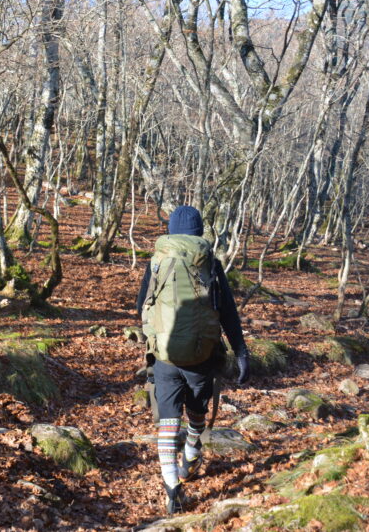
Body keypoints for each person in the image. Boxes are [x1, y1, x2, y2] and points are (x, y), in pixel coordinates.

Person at [135, 205, 250, 514]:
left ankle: (172, 488)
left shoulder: (158, 260)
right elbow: (227, 311)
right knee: (197, 410)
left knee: (168, 421)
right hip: (202, 355)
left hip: (164, 355)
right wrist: (240, 351)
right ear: (200, 232)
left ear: (171, 231)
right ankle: (193, 450)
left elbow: (141, 305)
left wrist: (155, 334)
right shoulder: (209, 263)